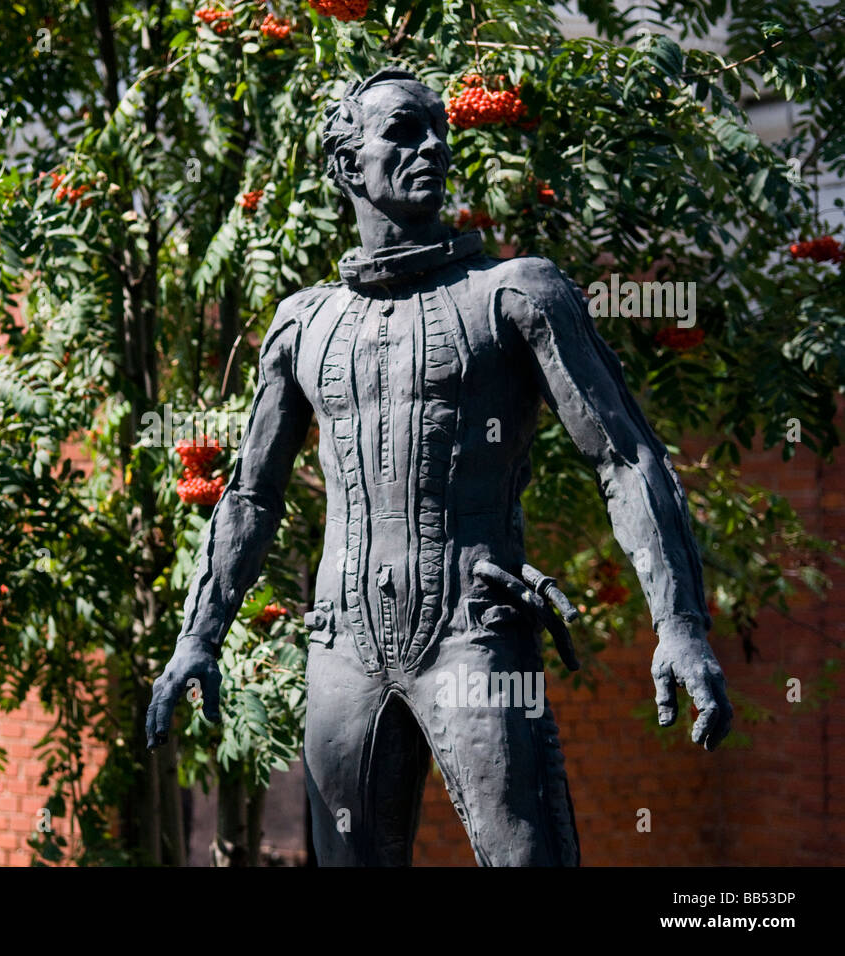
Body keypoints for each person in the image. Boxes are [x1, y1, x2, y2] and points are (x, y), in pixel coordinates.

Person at [146, 69, 732, 866]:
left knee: (524, 857)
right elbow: (252, 492)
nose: (433, 147)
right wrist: (197, 636)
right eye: (404, 132)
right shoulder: (302, 325)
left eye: (439, 131)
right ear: (351, 167)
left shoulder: (515, 293)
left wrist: (680, 625)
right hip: (341, 642)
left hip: (473, 632)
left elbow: (626, 458)